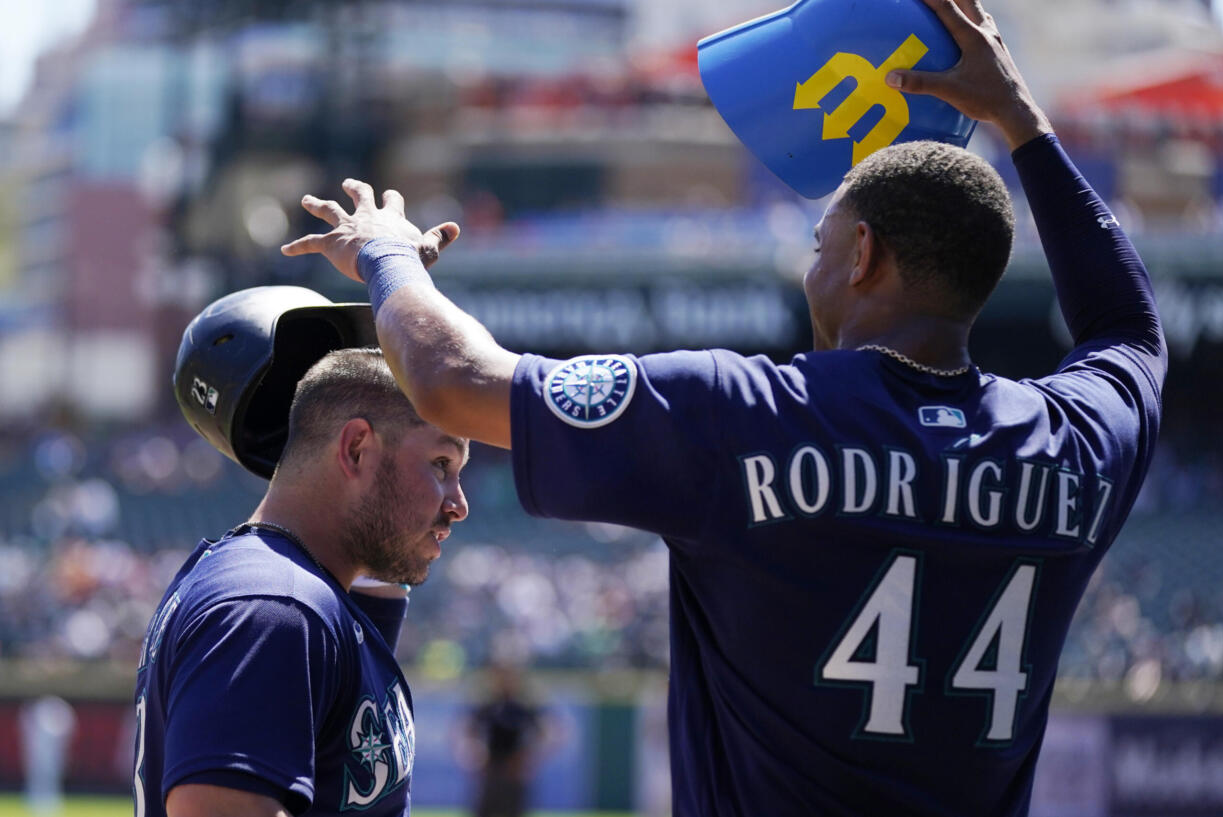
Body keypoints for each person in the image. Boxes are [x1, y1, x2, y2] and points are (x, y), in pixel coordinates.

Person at [281, 0, 1166, 813]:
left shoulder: (743, 415)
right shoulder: (1073, 447)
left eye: (819, 245)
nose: (808, 268)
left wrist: (387, 254)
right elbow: (1129, 328)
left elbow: (448, 378)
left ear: (862, 254)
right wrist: (1025, 122)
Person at [134, 287, 470, 817]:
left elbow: (375, 563)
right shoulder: (272, 606)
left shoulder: (305, 594)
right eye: (440, 465)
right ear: (356, 447)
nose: (459, 504)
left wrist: (400, 292)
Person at [463, 663, 547, 817]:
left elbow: (544, 733)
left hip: (514, 772)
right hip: (492, 770)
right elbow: (470, 729)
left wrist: (528, 758)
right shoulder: (490, 705)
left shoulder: (522, 706)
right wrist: (476, 754)